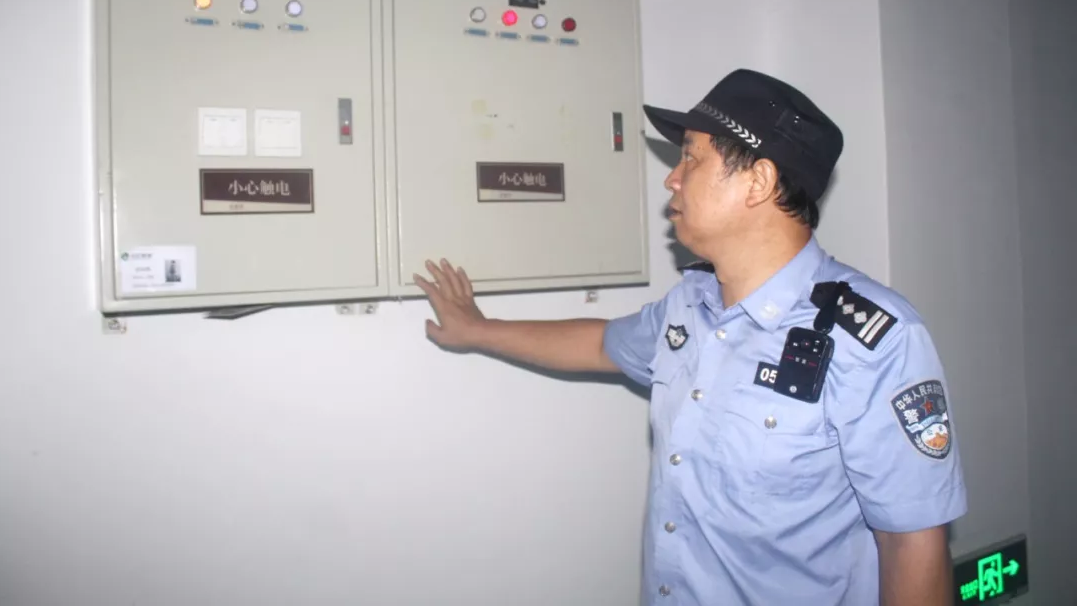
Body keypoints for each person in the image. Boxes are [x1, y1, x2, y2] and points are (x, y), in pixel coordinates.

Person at [414, 68, 967, 605]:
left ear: (758, 182)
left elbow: (911, 545)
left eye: (691, 157)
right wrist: (478, 330)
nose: (672, 178)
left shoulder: (875, 342)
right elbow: (599, 343)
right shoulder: (691, 304)